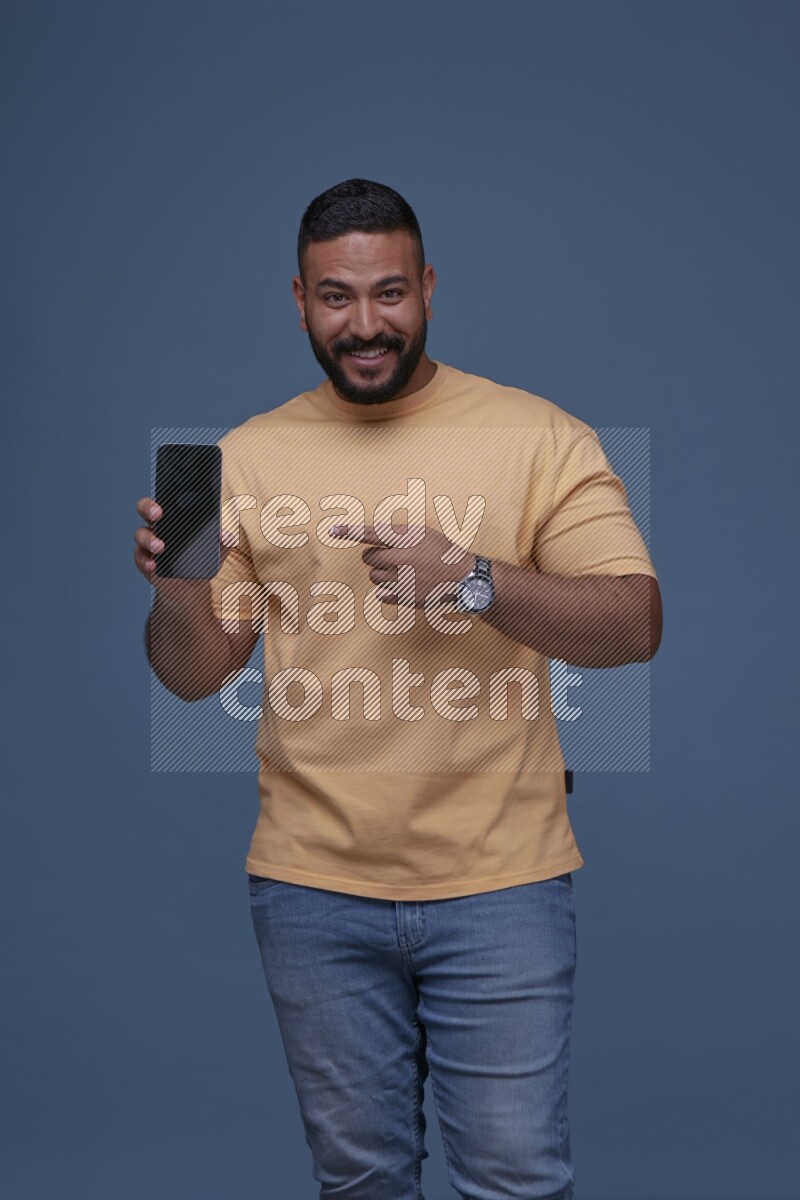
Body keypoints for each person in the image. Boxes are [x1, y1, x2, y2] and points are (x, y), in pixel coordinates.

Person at [134, 178, 662, 1200]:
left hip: (500, 883)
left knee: (512, 1180)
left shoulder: (538, 437)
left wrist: (467, 579)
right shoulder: (239, 460)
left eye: (388, 294)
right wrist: (177, 591)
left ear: (427, 288)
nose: (364, 324)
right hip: (310, 888)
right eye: (336, 298)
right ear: (298, 300)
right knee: (359, 1182)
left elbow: (633, 623)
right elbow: (194, 677)